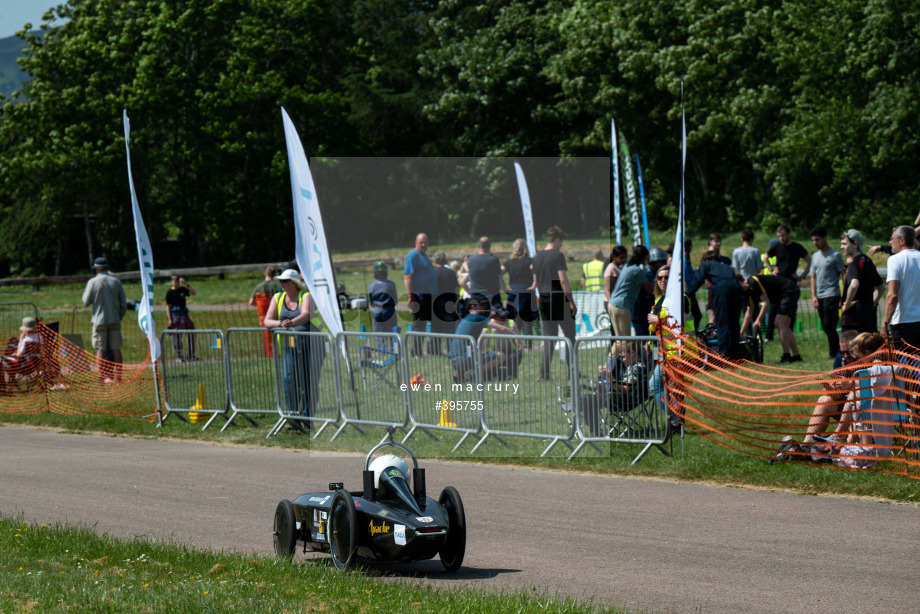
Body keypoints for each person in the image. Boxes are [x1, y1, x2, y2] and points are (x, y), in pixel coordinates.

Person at [264, 269, 325, 420]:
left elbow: (306, 315)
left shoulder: (306, 296)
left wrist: (291, 323)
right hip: (290, 346)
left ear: (294, 283)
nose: (281, 284)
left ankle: (308, 417)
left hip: (312, 345)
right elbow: (267, 321)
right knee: (289, 379)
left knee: (309, 381)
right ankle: (292, 417)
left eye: (285, 281)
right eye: (281, 281)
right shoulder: (278, 297)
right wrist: (281, 323)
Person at [647, 265, 697, 429]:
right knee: (671, 389)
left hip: (678, 351)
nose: (663, 280)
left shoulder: (680, 298)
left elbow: (679, 324)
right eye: (660, 277)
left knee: (655, 386)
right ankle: (677, 421)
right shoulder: (659, 299)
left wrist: (657, 320)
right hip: (664, 350)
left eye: (666, 277)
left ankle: (676, 420)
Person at [801, 330, 859, 449]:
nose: (845, 356)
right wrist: (832, 391)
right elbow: (839, 397)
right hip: (847, 408)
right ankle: (806, 445)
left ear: (857, 349)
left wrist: (850, 385)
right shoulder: (840, 359)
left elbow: (873, 387)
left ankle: (840, 441)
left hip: (866, 409)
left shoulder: (867, 359)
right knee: (823, 400)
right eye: (841, 352)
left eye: (848, 352)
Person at [532, 225, 577, 379]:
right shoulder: (558, 256)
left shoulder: (537, 257)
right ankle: (572, 372)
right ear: (557, 240)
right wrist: (571, 301)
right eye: (561, 241)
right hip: (558, 298)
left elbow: (535, 282)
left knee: (550, 337)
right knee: (570, 336)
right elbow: (563, 280)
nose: (561, 245)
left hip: (544, 299)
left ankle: (544, 373)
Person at [688, 250, 743, 359]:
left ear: (706, 260)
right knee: (734, 323)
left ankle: (723, 355)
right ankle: (735, 354)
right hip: (736, 288)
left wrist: (686, 294)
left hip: (722, 288)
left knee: (722, 322)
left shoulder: (706, 265)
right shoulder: (727, 266)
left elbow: (698, 280)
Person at [81, 257, 127, 384]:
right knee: (116, 348)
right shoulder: (116, 282)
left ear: (96, 269)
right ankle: (118, 378)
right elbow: (123, 303)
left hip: (99, 320)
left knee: (100, 349)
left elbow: (85, 302)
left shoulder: (93, 282)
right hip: (114, 319)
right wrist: (119, 316)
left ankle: (101, 378)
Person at [449, 294, 513, 382]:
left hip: (454, 360)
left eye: (485, 305)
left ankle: (458, 375)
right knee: (501, 356)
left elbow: (466, 345)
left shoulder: (466, 318)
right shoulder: (478, 317)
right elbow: (502, 328)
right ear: (473, 306)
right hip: (465, 359)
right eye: (482, 305)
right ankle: (473, 373)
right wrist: (518, 339)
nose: (484, 307)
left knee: (470, 353)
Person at [742, 273, 802, 363]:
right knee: (785, 325)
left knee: (779, 323)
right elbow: (749, 312)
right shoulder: (747, 292)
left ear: (741, 282)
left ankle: (786, 356)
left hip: (789, 290)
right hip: (784, 294)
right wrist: (741, 332)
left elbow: (766, 302)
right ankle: (796, 356)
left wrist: (758, 320)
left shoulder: (754, 282)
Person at [765, 224, 810, 342]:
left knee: (791, 310)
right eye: (779, 236)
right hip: (778, 282)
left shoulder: (797, 247)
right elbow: (765, 257)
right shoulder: (776, 247)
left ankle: (789, 332)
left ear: (789, 234)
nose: (781, 238)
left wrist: (802, 276)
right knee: (773, 308)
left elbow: (809, 260)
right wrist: (771, 270)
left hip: (791, 282)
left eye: (783, 235)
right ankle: (768, 336)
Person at [881, 225, 920, 352]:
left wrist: (885, 322)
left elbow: (892, 295)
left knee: (905, 368)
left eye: (892, 239)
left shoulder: (895, 260)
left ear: (902, 240)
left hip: (903, 322)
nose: (890, 242)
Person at [809, 226, 845, 359]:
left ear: (825, 238)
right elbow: (813, 276)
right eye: (813, 240)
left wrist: (844, 293)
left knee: (830, 324)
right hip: (820, 296)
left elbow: (843, 273)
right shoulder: (815, 256)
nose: (815, 243)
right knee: (825, 325)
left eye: (817, 239)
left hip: (832, 294)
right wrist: (813, 296)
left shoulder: (835, 255)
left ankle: (834, 353)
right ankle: (837, 350)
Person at [840, 229, 883, 334]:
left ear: (855, 244)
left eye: (844, 244)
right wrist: (871, 303)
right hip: (868, 317)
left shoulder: (854, 263)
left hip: (853, 318)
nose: (841, 247)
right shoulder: (868, 261)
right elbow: (881, 287)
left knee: (851, 349)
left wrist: (847, 304)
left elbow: (854, 285)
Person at [608, 245, 653, 337]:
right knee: (625, 341)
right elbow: (649, 288)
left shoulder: (626, 267)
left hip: (613, 304)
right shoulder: (637, 271)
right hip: (622, 306)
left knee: (620, 341)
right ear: (644, 257)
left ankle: (611, 352)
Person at [403, 233, 437, 355]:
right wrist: (411, 296)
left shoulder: (424, 256)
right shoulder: (413, 256)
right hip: (420, 296)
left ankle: (432, 350)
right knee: (419, 326)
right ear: (415, 242)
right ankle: (416, 352)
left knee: (434, 325)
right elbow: (407, 276)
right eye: (421, 242)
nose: (423, 245)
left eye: (425, 242)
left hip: (430, 295)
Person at [503, 238, 537, 339]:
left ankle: (516, 344)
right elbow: (536, 270)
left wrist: (503, 288)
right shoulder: (529, 261)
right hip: (527, 291)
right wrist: (534, 284)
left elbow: (498, 274)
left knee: (515, 321)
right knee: (527, 320)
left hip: (513, 292)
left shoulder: (509, 262)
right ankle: (528, 345)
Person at [732, 229, 762, 335]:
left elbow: (735, 269)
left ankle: (748, 333)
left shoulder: (736, 251)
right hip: (753, 283)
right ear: (752, 239)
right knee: (755, 311)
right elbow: (759, 269)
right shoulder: (755, 251)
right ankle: (756, 333)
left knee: (745, 310)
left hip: (741, 284)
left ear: (741, 239)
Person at [1, 317, 43, 390]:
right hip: (36, 363)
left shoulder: (26, 340)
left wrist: (21, 340)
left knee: (2, 360)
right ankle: (9, 386)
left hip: (23, 366)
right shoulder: (40, 337)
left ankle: (4, 387)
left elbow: (18, 355)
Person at [431, 251, 460, 354]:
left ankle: (435, 350)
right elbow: (456, 288)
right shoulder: (451, 273)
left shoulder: (432, 273)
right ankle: (450, 350)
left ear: (434, 261)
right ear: (445, 260)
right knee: (449, 329)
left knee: (435, 328)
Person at [467, 236, 506, 309]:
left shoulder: (470, 260)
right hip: (492, 296)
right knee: (500, 318)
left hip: (476, 296)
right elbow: (499, 274)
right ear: (490, 246)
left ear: (478, 245)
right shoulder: (493, 260)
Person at [166, 275, 197, 362]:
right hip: (175, 316)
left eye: (177, 281)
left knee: (191, 332)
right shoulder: (169, 293)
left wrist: (186, 283)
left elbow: (193, 293)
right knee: (177, 336)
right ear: (171, 282)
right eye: (174, 281)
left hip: (184, 315)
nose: (176, 283)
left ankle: (190, 355)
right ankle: (179, 356)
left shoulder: (182, 290)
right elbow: (168, 307)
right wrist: (169, 319)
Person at [368, 260, 398, 334]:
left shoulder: (371, 285)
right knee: (392, 334)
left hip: (377, 311)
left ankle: (381, 346)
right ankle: (392, 345)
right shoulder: (391, 284)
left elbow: (371, 302)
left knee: (380, 337)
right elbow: (395, 300)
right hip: (389, 311)